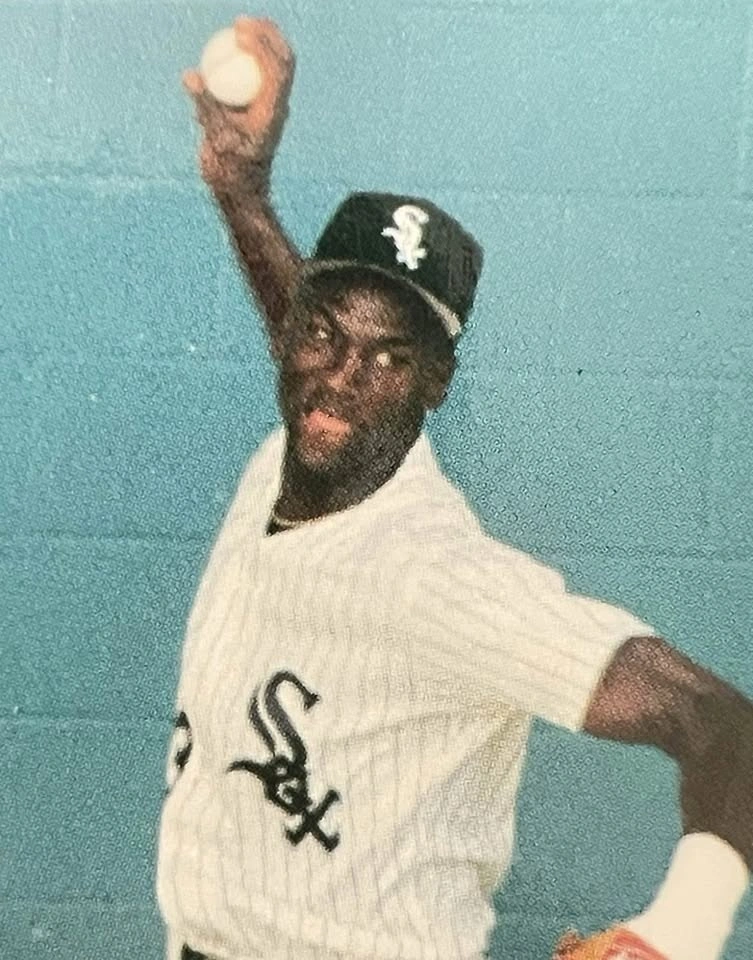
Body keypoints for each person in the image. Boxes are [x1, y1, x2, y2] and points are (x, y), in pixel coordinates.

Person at [157, 17, 753, 960]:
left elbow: (722, 727)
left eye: (390, 359)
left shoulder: (435, 577)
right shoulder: (292, 452)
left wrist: (676, 932)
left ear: (434, 383)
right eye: (322, 338)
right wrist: (241, 194)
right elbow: (326, 363)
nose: (341, 380)